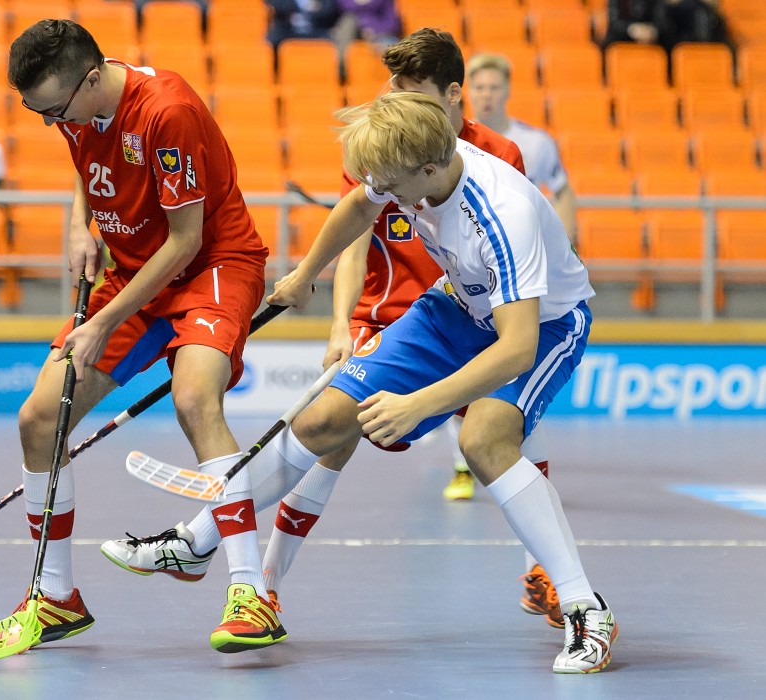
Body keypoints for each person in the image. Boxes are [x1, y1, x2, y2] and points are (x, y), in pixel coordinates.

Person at [104, 26, 563, 634]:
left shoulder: (496, 155)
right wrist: (341, 322)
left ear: (452, 96)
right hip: (391, 315)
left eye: (412, 91)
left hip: (469, 314)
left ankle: (552, 577)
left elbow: (505, 247)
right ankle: (258, 590)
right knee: (326, 434)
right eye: (392, 88)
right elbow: (358, 230)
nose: (394, 101)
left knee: (500, 438)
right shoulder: (387, 140)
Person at [256, 92, 616, 673]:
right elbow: (358, 206)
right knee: (322, 421)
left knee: (484, 440)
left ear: (427, 169)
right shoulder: (414, 165)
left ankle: (584, 607)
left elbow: (516, 346)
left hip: (544, 325)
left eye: (395, 187)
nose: (390, 200)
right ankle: (198, 538)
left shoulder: (502, 211)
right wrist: (304, 273)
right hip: (455, 305)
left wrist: (416, 404)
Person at [4, 19, 275, 654]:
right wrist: (81, 224)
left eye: (54, 109)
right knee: (40, 419)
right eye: (38, 111)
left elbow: (185, 242)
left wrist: (100, 322)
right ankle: (56, 597)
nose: (50, 123)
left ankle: (250, 595)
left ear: (91, 79)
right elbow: (82, 153)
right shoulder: (76, 102)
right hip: (133, 268)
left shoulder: (168, 113)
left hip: (212, 263)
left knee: (194, 400)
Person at [466, 52, 578, 244]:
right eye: (479, 88)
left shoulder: (537, 142)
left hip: (525, 244)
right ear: (468, 92)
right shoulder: (456, 142)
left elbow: (564, 192)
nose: (486, 95)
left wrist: (564, 245)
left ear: (508, 90)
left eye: (494, 88)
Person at [601, 0, 730, 54]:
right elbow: (614, 22)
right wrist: (632, 29)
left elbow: (662, 22)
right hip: (622, 40)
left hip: (653, 44)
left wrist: (653, 31)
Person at [266, 0, 342, 50]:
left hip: (317, 30)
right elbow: (278, 5)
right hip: (287, 30)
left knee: (335, 42)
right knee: (270, 42)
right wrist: (305, 5)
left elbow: (328, 10)